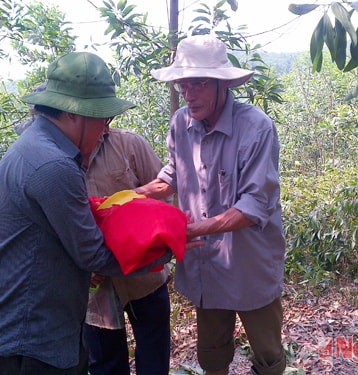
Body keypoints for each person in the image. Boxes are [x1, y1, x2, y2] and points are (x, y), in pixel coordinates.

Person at [0, 51, 173, 375]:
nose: (106, 127)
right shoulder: (54, 166)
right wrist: (170, 245)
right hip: (27, 344)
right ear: (75, 114)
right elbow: (92, 253)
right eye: (102, 117)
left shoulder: (34, 149)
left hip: (33, 334)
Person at [136, 35, 287, 375]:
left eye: (199, 84)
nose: (189, 95)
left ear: (222, 84)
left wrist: (187, 231)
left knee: (267, 354)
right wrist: (133, 196)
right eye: (184, 85)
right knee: (212, 352)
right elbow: (172, 174)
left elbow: (254, 204)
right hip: (205, 266)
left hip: (249, 265)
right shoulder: (180, 123)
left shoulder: (256, 128)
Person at [83, 126, 171, 375]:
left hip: (145, 277)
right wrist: (82, 264)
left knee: (154, 357)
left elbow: (165, 194)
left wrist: (149, 244)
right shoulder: (55, 160)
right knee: (105, 364)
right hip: (95, 293)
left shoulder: (128, 144)